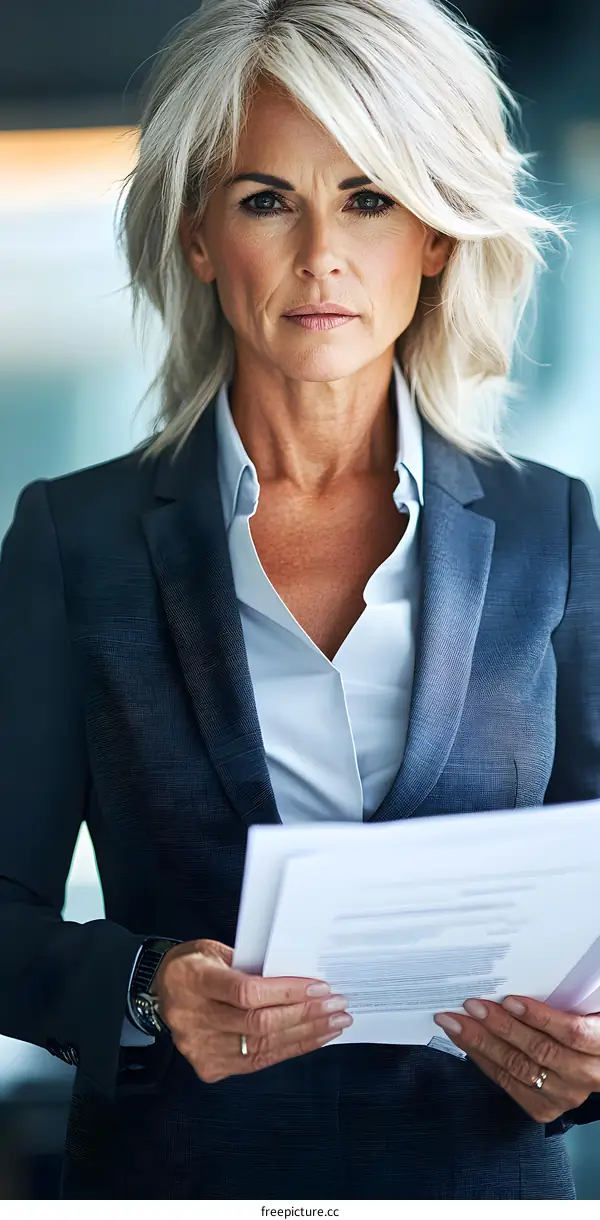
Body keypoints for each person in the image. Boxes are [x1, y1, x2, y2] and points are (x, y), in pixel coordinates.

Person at [1, 0, 600, 1202]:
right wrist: (143, 985)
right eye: (268, 199)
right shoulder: (76, 538)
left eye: (369, 198)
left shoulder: (555, 527)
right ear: (200, 236)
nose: (323, 251)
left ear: (435, 236)